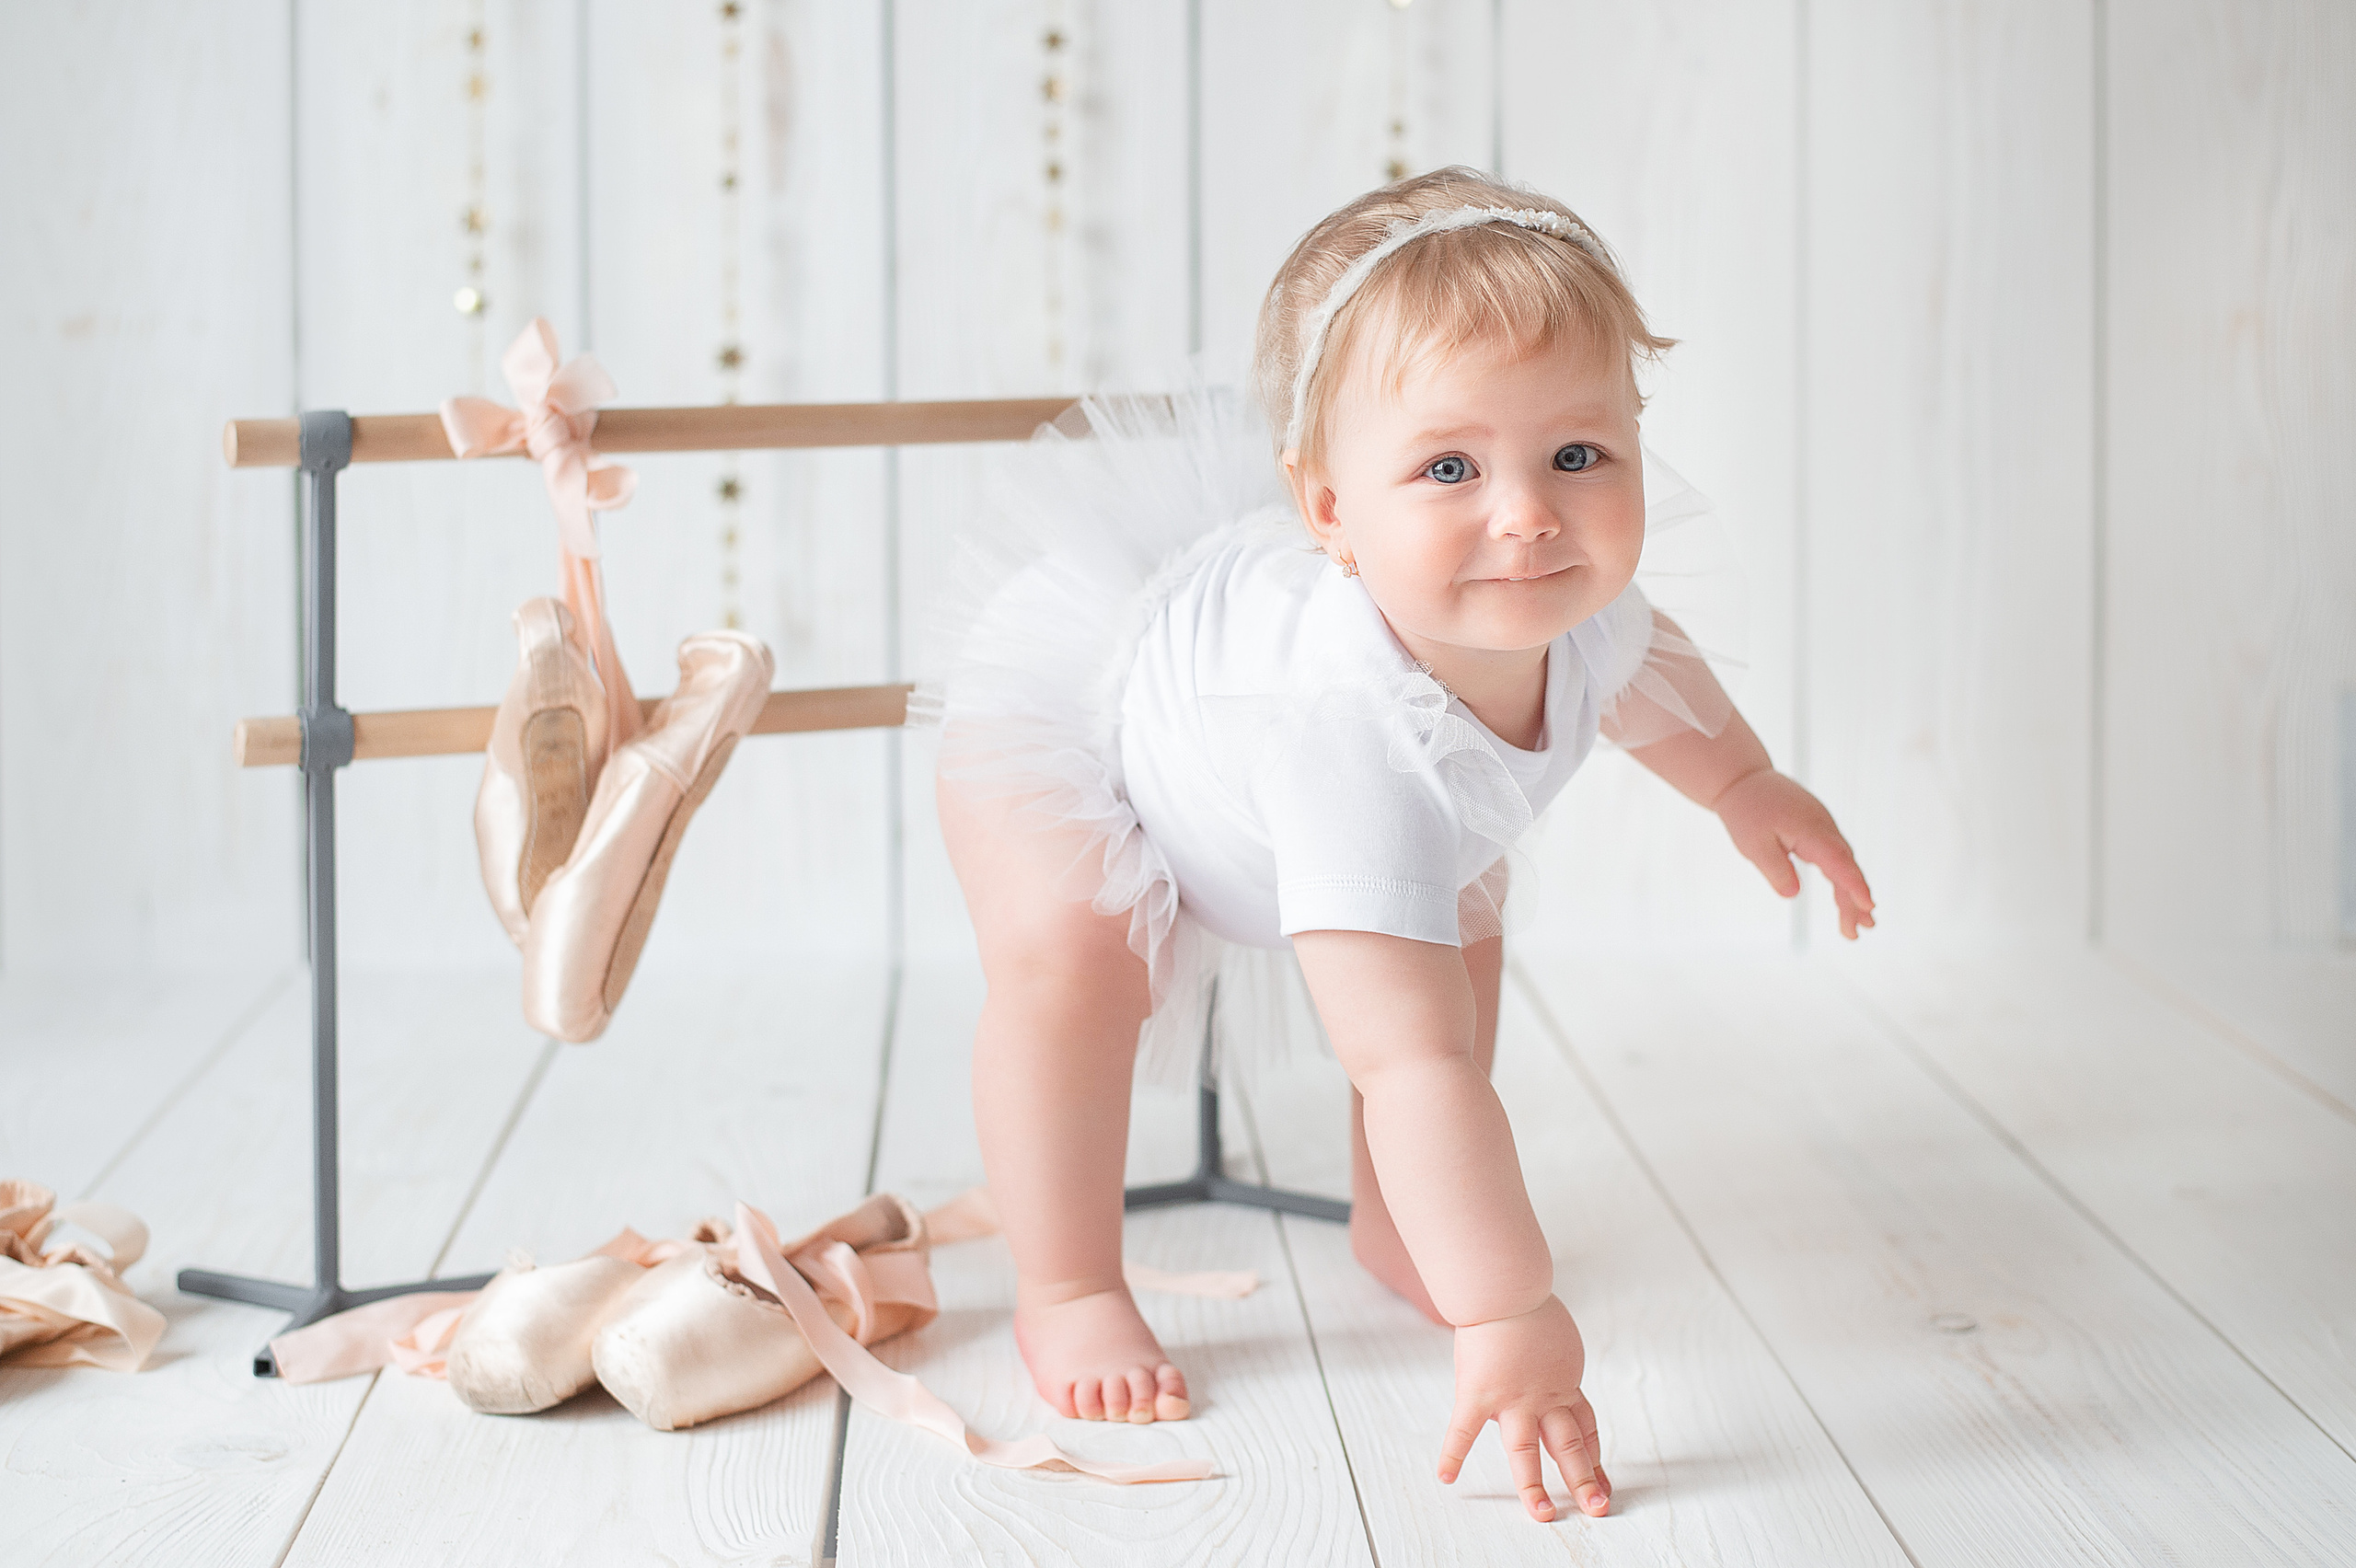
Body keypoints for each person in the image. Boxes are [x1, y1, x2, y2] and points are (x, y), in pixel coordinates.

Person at [914, 166, 1876, 1523]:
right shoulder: (1343, 735)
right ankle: (1066, 1281)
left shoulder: (1575, 603)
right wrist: (1510, 1310)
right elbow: (1406, 1062)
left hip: (1304, 748)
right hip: (1093, 718)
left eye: (1579, 455)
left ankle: (1397, 1223)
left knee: (1457, 937)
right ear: (1329, 515)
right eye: (1449, 469)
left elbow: (1653, 670)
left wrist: (1746, 786)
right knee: (1076, 966)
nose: (1530, 514)